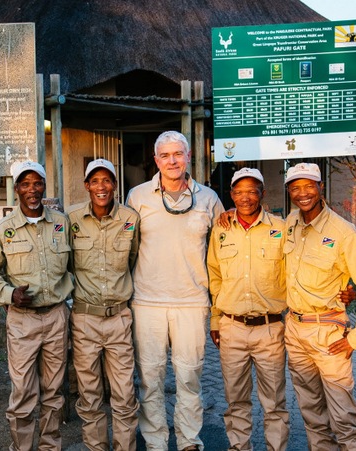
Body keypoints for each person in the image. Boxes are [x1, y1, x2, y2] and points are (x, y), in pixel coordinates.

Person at [126, 131, 225, 451]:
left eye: (177, 154)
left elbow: (225, 249)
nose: (172, 161)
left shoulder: (208, 199)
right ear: (156, 160)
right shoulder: (137, 197)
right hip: (147, 302)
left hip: (193, 303)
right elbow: (126, 248)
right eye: (165, 155)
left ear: (188, 156)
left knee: (189, 379)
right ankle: (155, 442)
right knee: (150, 380)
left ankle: (188, 441)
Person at [283, 162, 356, 450]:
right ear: (289, 192)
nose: (302, 193)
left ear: (320, 188)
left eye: (308, 186)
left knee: (343, 418)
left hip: (328, 334)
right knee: (312, 415)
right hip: (294, 331)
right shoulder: (291, 223)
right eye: (295, 188)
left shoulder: (343, 232)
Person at [0, 160, 73, 451]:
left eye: (37, 183)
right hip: (22, 321)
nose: (32, 190)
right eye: (26, 184)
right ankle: (21, 448)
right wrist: (9, 295)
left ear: (44, 187)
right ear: (16, 189)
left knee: (54, 392)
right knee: (22, 393)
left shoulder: (60, 222)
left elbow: (75, 267)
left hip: (56, 317)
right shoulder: (4, 230)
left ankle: (49, 447)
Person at [207, 168, 290, 451]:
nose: (245, 198)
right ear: (231, 195)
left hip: (270, 329)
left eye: (252, 191)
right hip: (232, 328)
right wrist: (216, 320)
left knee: (274, 403)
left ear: (262, 194)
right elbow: (214, 275)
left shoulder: (281, 228)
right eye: (239, 192)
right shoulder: (221, 229)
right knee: (236, 400)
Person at [67, 158, 140, 451]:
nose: (101, 186)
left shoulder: (130, 218)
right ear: (87, 186)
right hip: (84, 319)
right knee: (89, 396)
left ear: (114, 184)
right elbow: (67, 264)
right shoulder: (70, 220)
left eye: (107, 180)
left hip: (119, 319)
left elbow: (132, 260)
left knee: (124, 395)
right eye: (95, 181)